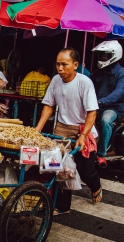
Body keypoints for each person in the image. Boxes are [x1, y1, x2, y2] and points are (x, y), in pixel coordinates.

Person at [35, 47, 102, 215]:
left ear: (75, 65)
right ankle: (63, 206)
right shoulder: (55, 80)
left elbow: (92, 112)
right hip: (62, 128)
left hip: (83, 129)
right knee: (60, 169)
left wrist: (83, 135)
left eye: (64, 64)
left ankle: (95, 186)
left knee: (86, 171)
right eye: (58, 64)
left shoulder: (84, 82)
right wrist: (37, 129)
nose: (60, 68)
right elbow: (49, 106)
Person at [90, 40, 124, 157]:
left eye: (105, 55)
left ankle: (101, 153)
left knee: (106, 120)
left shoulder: (123, 73)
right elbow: (88, 85)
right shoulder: (98, 72)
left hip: (114, 107)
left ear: (114, 55)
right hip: (97, 105)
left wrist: (103, 101)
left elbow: (119, 92)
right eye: (101, 55)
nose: (102, 57)